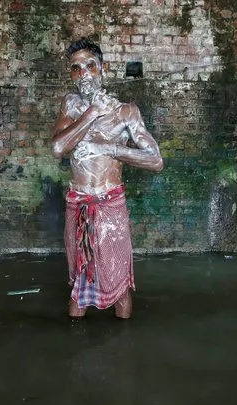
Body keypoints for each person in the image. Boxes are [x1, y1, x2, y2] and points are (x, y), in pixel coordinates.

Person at [51, 38, 163, 319]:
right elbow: (58, 148)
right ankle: (74, 349)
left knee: (119, 288)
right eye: (76, 68)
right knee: (79, 284)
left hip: (110, 208)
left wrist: (109, 148)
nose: (83, 73)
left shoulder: (126, 111)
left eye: (90, 65)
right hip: (77, 205)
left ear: (103, 68)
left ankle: (124, 350)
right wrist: (92, 114)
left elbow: (155, 160)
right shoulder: (71, 105)